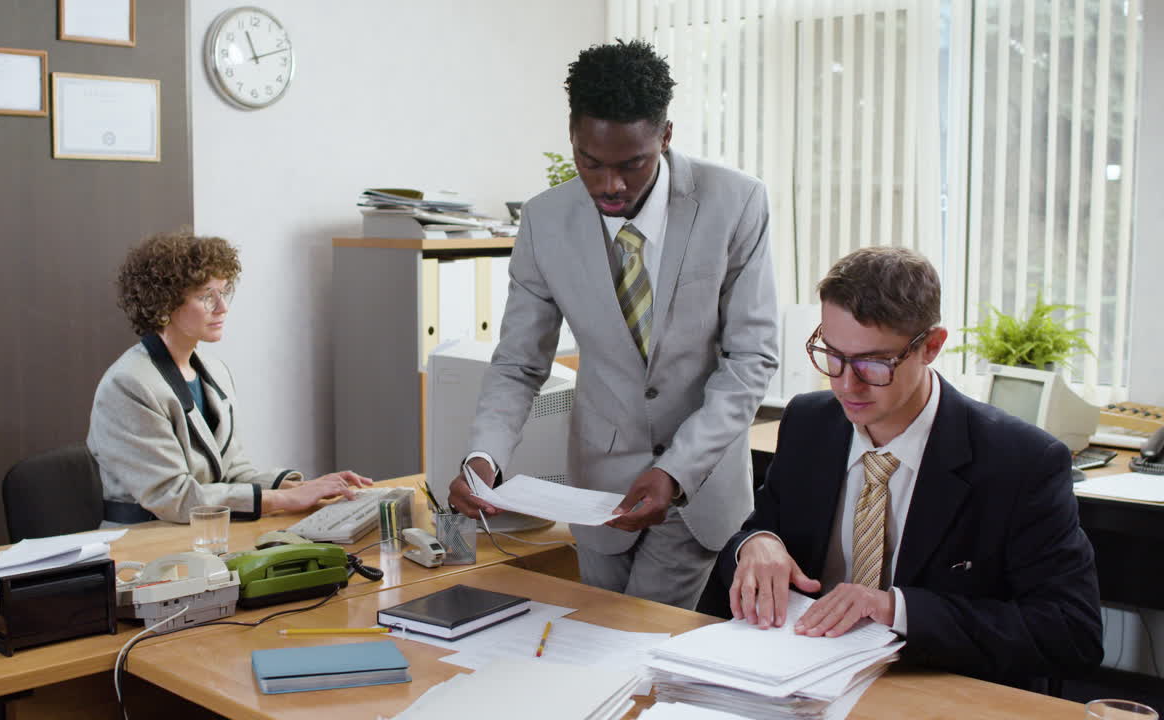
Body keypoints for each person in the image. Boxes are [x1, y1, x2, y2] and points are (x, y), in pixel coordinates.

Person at [445, 40, 779, 609]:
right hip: (597, 490)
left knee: (639, 645)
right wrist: (484, 456)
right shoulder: (545, 221)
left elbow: (751, 359)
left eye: (632, 164)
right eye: (590, 162)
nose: (610, 185)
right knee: (598, 639)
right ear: (573, 136)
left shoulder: (735, 202)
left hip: (694, 485)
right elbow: (519, 362)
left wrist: (673, 469)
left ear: (665, 136)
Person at [698, 246, 1102, 689]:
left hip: (936, 693)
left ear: (931, 346)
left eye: (874, 363)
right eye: (832, 354)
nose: (845, 384)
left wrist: (896, 610)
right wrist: (757, 542)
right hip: (801, 681)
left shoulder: (1021, 461)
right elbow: (760, 535)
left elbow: (1071, 633)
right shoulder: (809, 423)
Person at [88, 230, 371, 524]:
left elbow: (233, 470)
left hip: (203, 530)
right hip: (145, 538)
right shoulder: (128, 385)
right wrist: (285, 499)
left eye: (223, 293)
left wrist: (305, 487)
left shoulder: (215, 372)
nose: (223, 308)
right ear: (164, 303)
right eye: (205, 297)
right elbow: (174, 497)